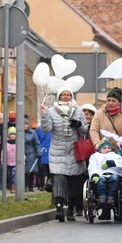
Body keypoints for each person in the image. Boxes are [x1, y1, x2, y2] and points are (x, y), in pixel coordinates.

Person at [40, 87, 88, 222]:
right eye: (63, 94)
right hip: (58, 150)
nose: (66, 97)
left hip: (74, 150)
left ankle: (71, 209)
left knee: (74, 181)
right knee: (59, 179)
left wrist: (78, 124)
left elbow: (85, 129)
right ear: (59, 96)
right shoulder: (52, 111)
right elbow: (47, 129)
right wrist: (44, 115)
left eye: (68, 94)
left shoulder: (78, 110)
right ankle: (60, 209)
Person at [88, 138, 122, 209]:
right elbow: (92, 166)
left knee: (114, 179)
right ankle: (102, 198)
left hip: (114, 173)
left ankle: (111, 198)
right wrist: (94, 174)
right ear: (100, 149)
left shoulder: (115, 155)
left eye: (109, 148)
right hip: (101, 174)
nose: (107, 150)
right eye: (104, 148)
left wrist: (112, 163)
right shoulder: (95, 156)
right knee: (101, 181)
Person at [24, 117, 41, 192]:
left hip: (31, 153)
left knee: (31, 171)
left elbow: (37, 143)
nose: (24, 126)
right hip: (22, 153)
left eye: (26, 124)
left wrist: (38, 152)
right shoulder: (19, 132)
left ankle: (31, 186)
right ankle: (24, 186)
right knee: (24, 171)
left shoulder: (33, 133)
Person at [36, 121, 51, 192]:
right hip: (42, 151)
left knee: (49, 170)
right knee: (41, 170)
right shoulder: (38, 130)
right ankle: (41, 185)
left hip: (49, 151)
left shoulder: (52, 130)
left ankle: (48, 184)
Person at [5, 127, 17, 193]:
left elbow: (21, 152)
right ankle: (9, 185)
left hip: (15, 162)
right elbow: (3, 153)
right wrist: (2, 161)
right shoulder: (6, 143)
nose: (12, 136)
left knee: (13, 175)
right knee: (9, 175)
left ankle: (13, 187)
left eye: (14, 134)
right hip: (8, 162)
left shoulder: (18, 143)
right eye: (11, 134)